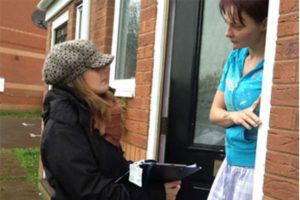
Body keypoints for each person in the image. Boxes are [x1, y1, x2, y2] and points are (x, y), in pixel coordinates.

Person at [41, 39, 181, 200]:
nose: (105, 70)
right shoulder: (63, 127)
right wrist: (156, 194)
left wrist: (149, 172)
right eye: (96, 68)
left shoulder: (94, 115)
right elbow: (89, 191)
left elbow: (116, 169)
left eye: (104, 66)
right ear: (74, 78)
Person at [207, 0, 268, 199]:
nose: (227, 33)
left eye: (237, 26)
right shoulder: (235, 59)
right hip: (230, 164)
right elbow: (214, 113)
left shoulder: (274, 67)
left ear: (264, 23)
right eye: (227, 24)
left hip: (255, 170)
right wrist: (235, 116)